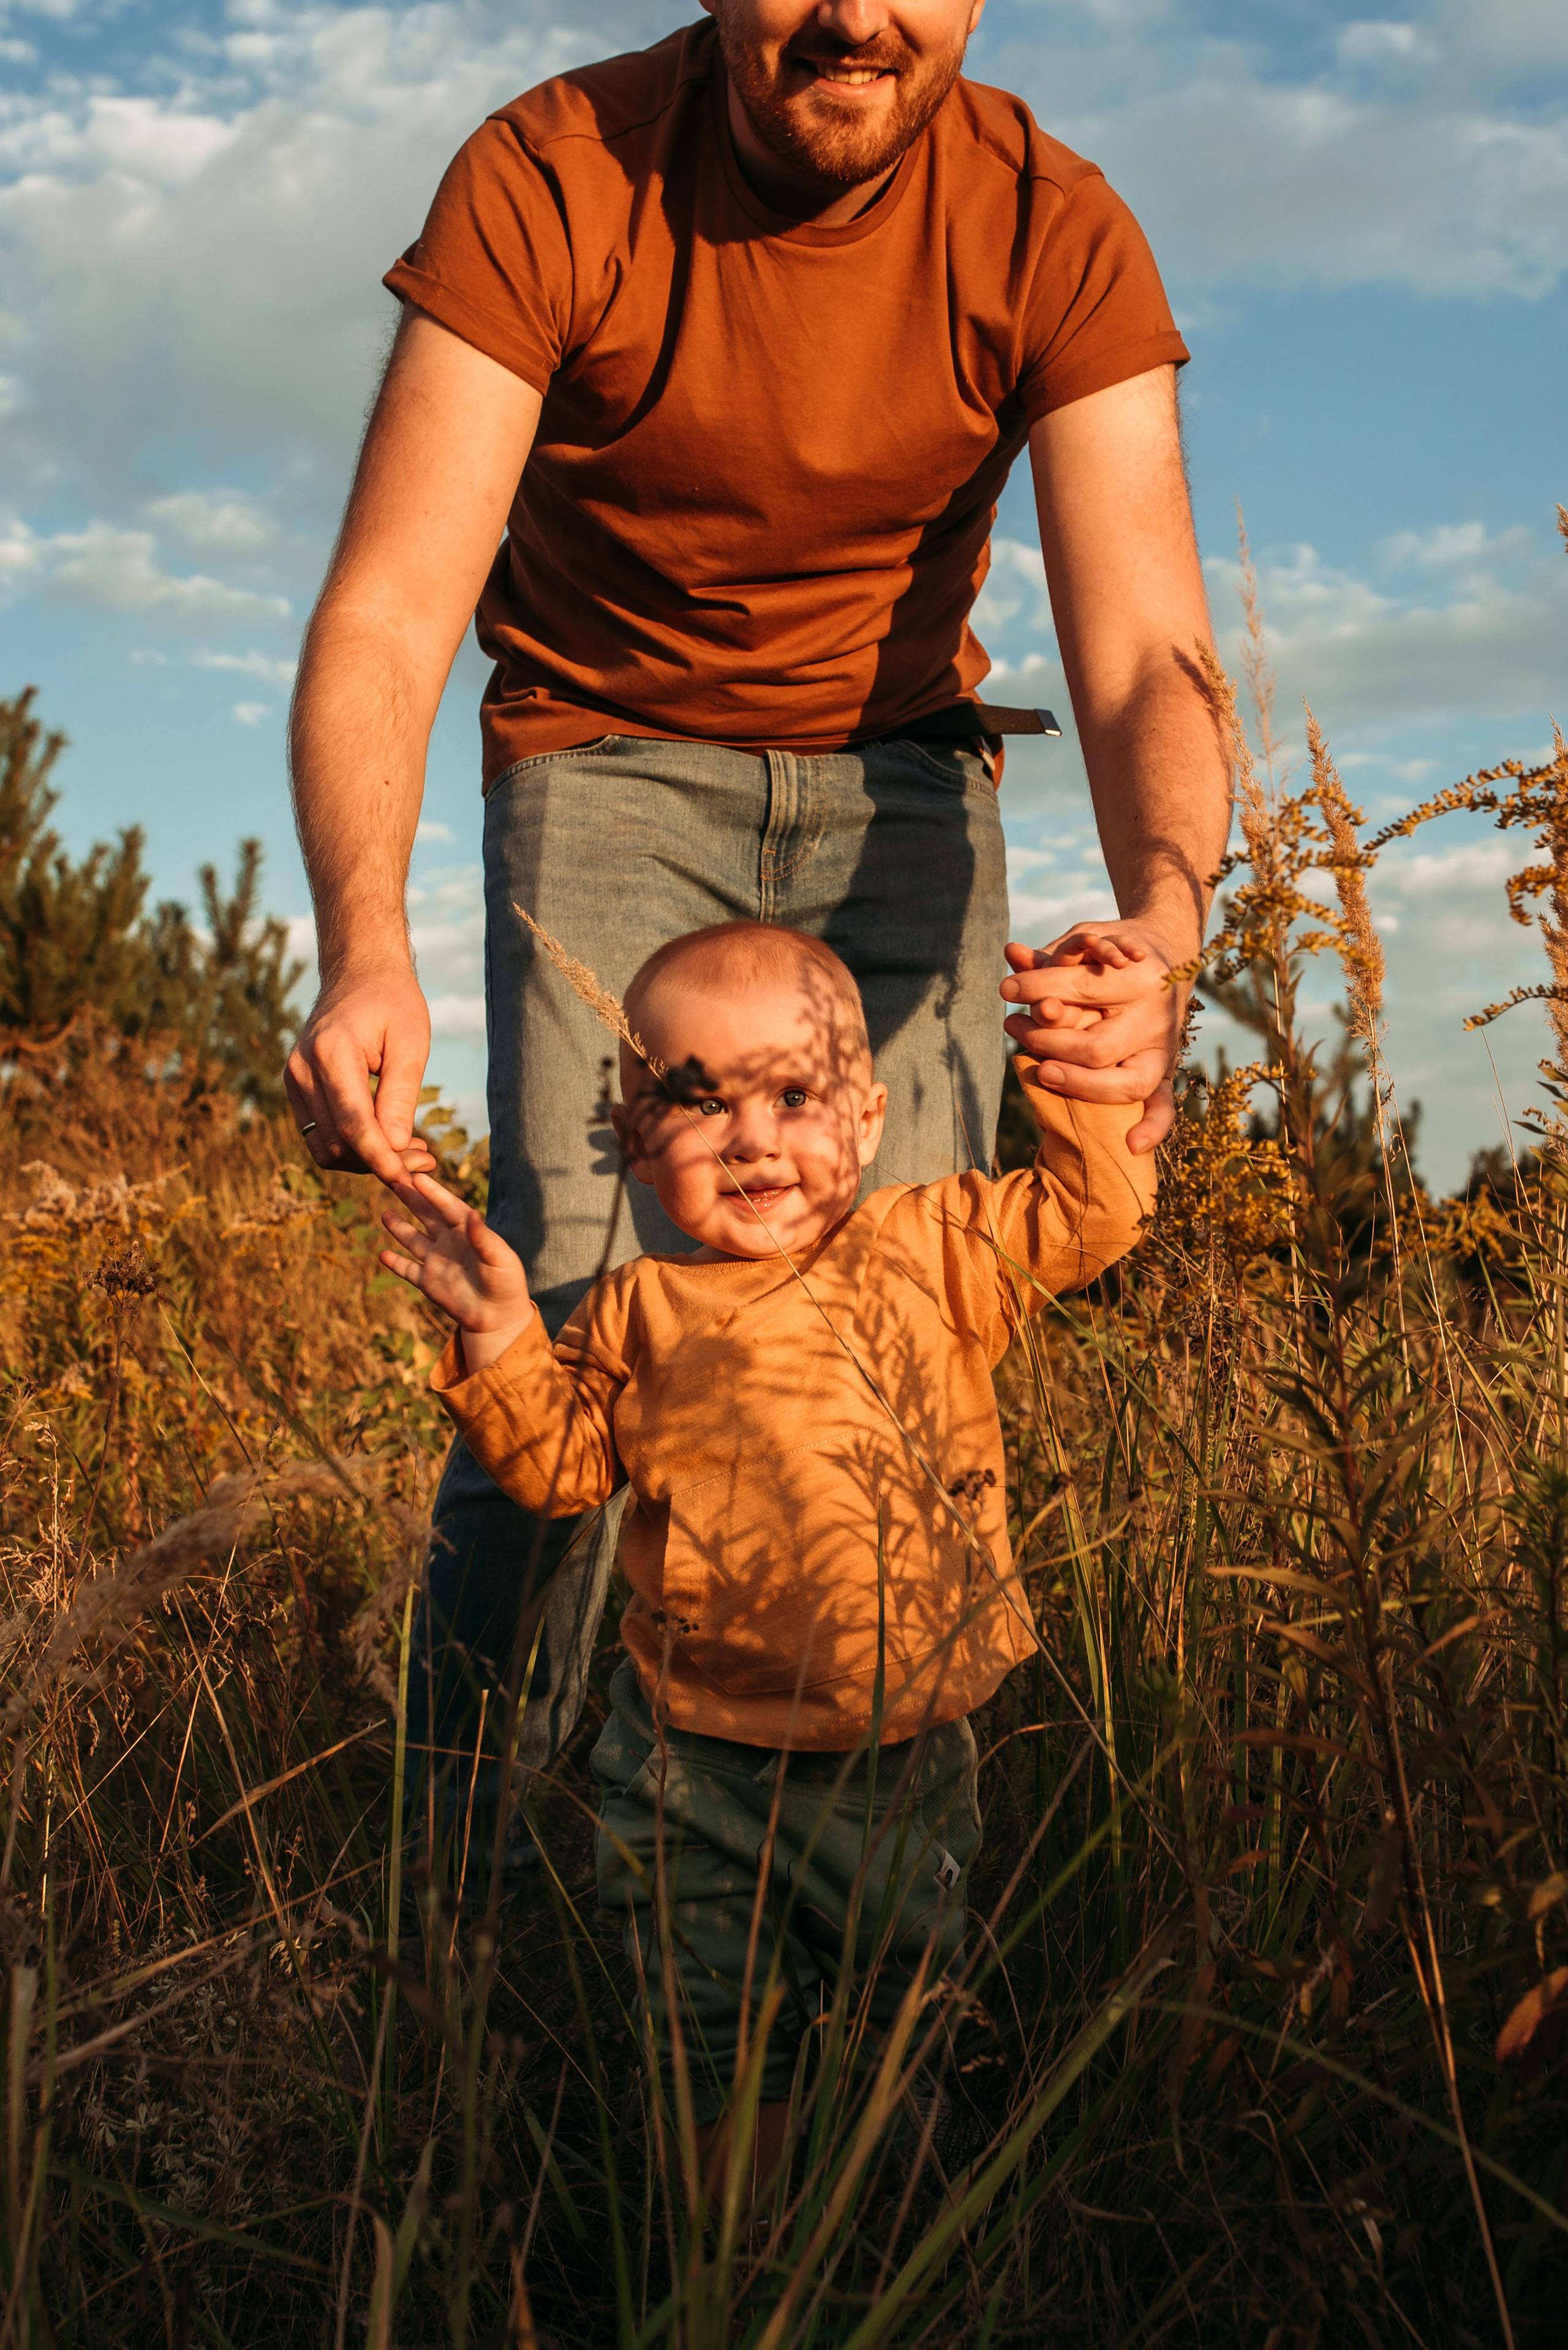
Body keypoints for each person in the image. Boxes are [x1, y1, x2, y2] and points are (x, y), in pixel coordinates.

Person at [284, 1, 1229, 1837]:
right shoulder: (552, 173)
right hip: (606, 766)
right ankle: (466, 1889)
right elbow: (392, 607)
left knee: (906, 1345)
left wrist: (1163, 928)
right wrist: (364, 942)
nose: (858, 15)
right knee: (574, 1320)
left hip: (904, 783)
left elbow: (1143, 652)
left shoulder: (1053, 222)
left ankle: (878, 1920)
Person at [376, 920, 1155, 2180]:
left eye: (793, 1094)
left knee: (904, 2016)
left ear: (867, 1117)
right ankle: (737, 2245)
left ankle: (897, 2220)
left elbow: (1090, 1214)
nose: (751, 1139)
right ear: (633, 1141)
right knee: (711, 2035)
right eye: (699, 1104)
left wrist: (1081, 1080)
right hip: (688, 1763)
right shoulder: (636, 1310)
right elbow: (558, 1471)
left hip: (896, 1759)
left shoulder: (935, 1248)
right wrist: (502, 1334)